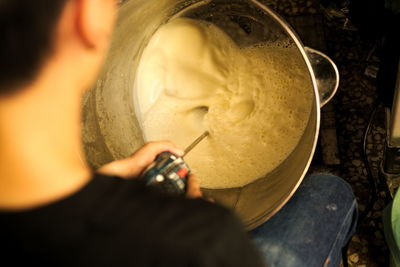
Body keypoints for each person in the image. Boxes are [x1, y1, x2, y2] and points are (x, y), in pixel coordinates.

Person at [0, 0, 357, 266]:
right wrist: (190, 227)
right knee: (331, 195)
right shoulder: (199, 245)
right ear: (85, 16)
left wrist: (99, 186)